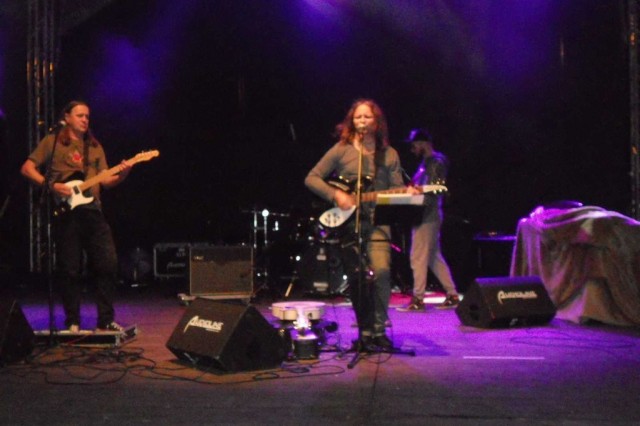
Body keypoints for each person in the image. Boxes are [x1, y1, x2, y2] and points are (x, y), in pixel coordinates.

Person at [305, 98, 410, 351]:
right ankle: (364, 332)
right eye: (358, 117)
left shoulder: (389, 154)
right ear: (352, 121)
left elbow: (397, 189)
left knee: (382, 272)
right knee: (357, 278)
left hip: (378, 222)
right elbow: (312, 178)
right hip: (349, 224)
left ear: (377, 122)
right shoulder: (341, 149)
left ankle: (378, 330)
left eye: (367, 117)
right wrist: (336, 195)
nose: (362, 121)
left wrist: (407, 193)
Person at [21, 100, 132, 333]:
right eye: (80, 115)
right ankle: (72, 320)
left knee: (108, 263)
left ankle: (105, 319)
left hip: (93, 211)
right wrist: (51, 186)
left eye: (87, 116)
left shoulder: (94, 146)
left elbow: (106, 180)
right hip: (67, 212)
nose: (85, 120)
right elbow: (27, 168)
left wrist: (123, 173)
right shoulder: (52, 142)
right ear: (67, 118)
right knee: (70, 268)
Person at [398, 128, 460, 312]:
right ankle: (452, 295)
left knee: (418, 257)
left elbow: (437, 187)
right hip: (425, 214)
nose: (412, 149)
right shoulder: (426, 163)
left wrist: (418, 190)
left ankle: (418, 299)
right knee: (433, 257)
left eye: (414, 145)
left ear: (423, 143)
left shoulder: (436, 162)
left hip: (427, 215)